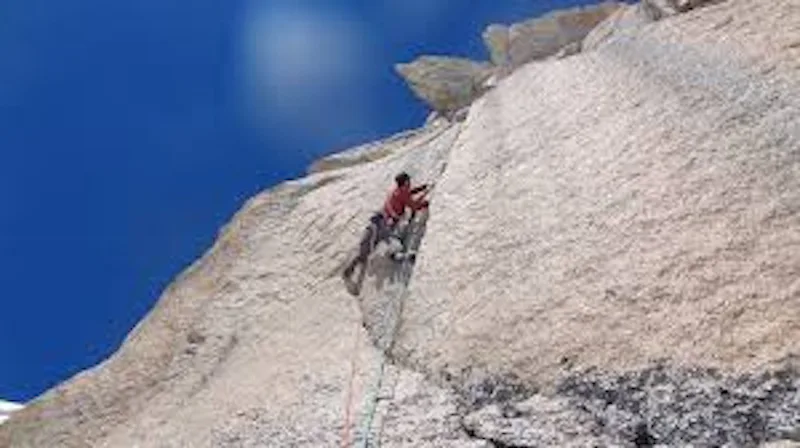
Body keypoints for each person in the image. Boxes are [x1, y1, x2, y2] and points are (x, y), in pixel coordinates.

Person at [342, 172, 430, 291]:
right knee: (392, 241)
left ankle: (351, 268)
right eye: (408, 182)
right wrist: (425, 203)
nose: (410, 184)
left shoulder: (397, 191)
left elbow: (408, 194)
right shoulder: (403, 193)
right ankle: (399, 256)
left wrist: (421, 188)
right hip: (386, 223)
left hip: (378, 220)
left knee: (368, 249)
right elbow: (413, 205)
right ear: (405, 183)